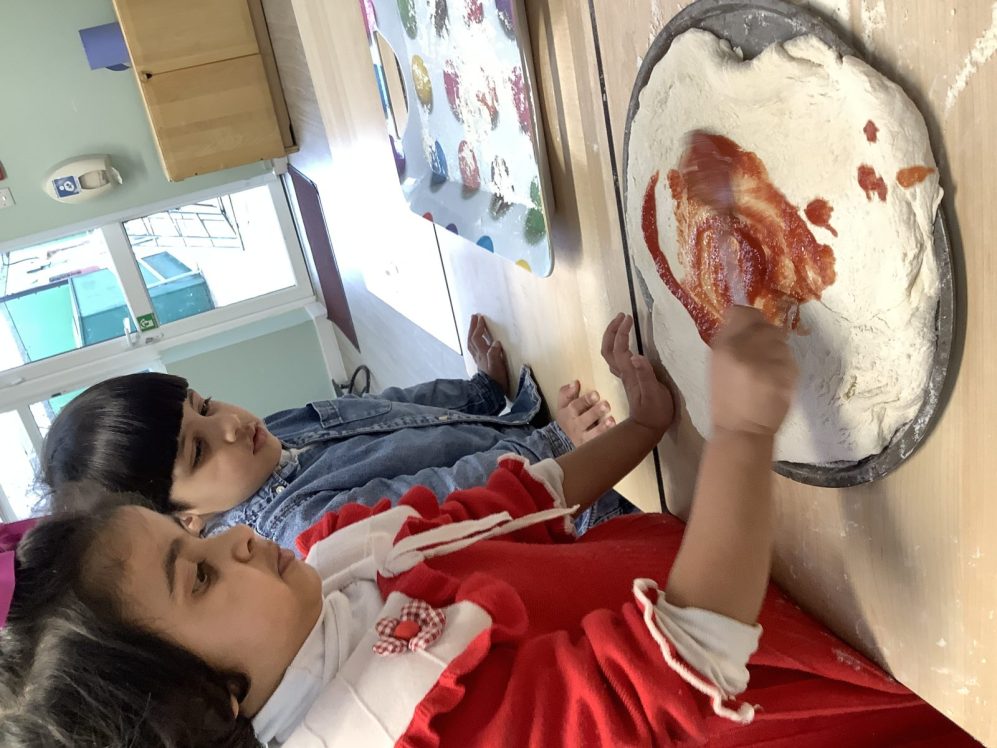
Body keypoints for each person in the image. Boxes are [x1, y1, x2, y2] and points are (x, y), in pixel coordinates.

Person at [1, 309, 976, 747]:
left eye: (201, 542)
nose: (239, 540)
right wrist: (744, 432)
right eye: (200, 574)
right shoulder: (418, 726)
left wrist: (642, 428)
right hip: (787, 681)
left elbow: (517, 495)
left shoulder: (330, 564)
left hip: (749, 559)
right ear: (205, 709)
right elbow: (688, 654)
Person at [39, 314, 633, 548]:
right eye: (198, 449)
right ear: (186, 520)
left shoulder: (265, 442)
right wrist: (552, 447)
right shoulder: (300, 529)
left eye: (205, 404)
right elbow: (446, 498)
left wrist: (476, 391)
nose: (229, 425)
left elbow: (389, 409)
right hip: (564, 501)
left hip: (525, 438)